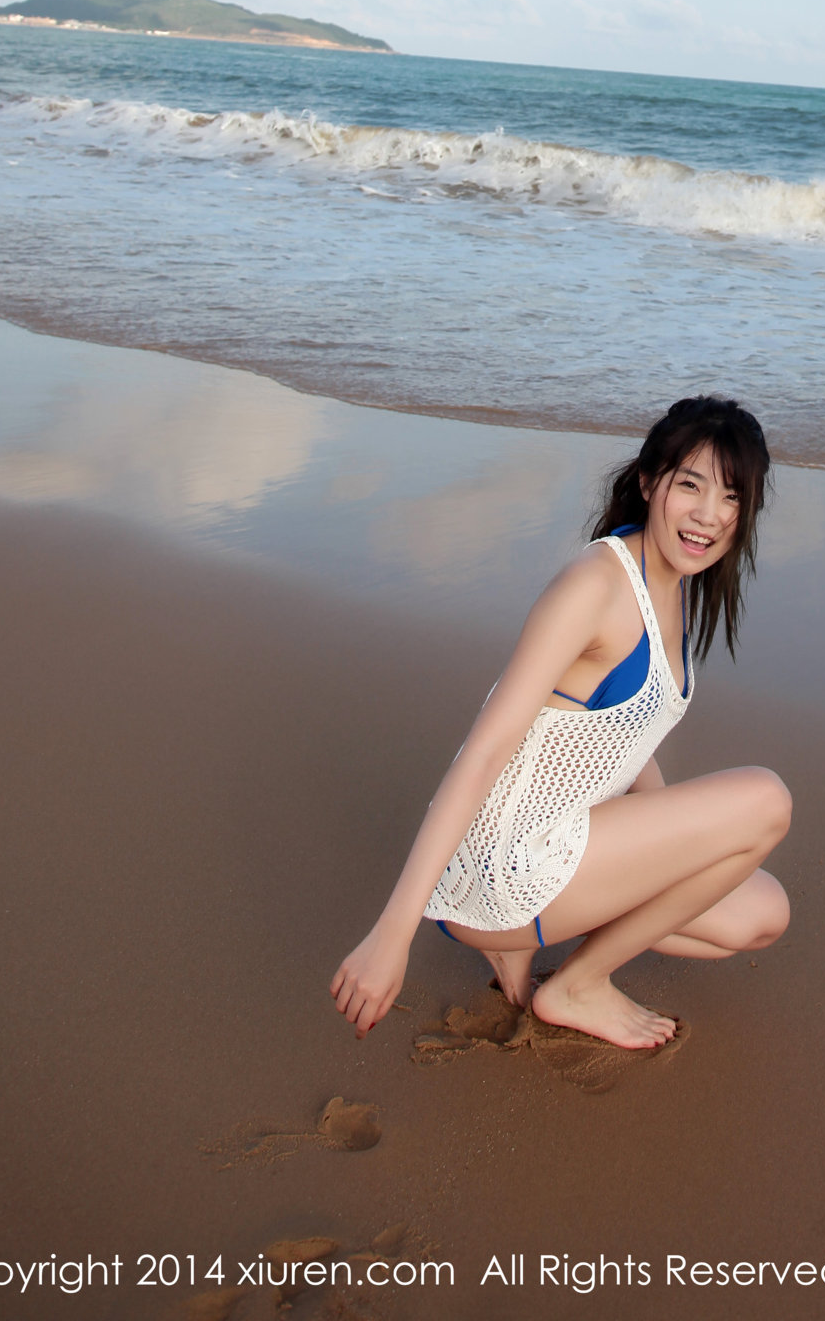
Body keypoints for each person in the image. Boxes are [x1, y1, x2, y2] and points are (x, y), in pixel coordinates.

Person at [330, 396, 792, 1052]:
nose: (709, 514)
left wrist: (677, 841)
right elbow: (484, 753)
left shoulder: (675, 585)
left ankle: (523, 953)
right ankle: (578, 985)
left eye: (732, 496)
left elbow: (623, 735)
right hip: (505, 865)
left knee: (763, 911)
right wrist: (392, 934)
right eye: (691, 485)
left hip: (556, 847)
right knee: (766, 800)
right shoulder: (596, 586)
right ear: (648, 481)